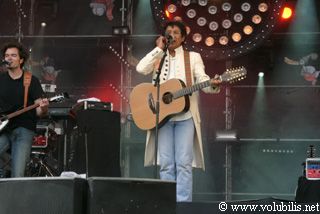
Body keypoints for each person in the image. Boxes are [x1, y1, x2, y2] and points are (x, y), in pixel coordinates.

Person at [135, 21, 221, 202]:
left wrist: (212, 85)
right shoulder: (159, 55)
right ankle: (167, 203)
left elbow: (203, 81)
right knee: (166, 164)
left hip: (185, 117)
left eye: (175, 32)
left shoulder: (194, 57)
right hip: (162, 117)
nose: (171, 35)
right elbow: (141, 68)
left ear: (182, 37)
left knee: (183, 163)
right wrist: (158, 49)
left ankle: (183, 205)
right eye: (168, 32)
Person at [0, 42, 49, 177]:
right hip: (3, 129)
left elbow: (39, 111)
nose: (9, 58)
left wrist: (43, 108)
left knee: (18, 174)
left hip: (23, 129)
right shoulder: (1, 80)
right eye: (7, 55)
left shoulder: (31, 81)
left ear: (21, 60)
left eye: (13, 55)